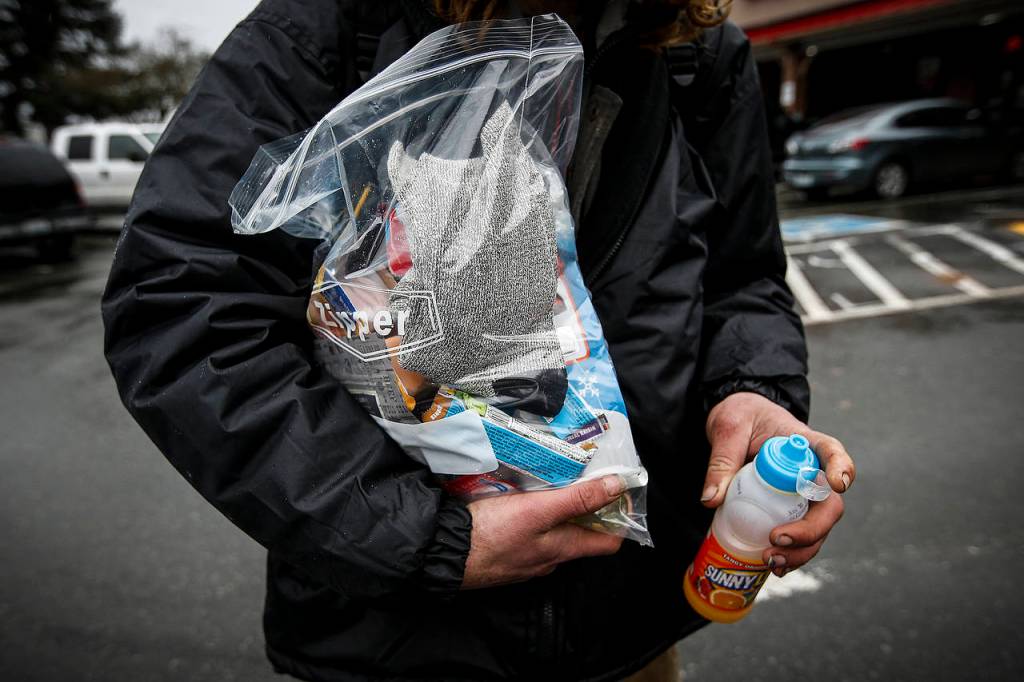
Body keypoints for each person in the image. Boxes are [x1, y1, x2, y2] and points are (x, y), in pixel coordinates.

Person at [102, 1, 856, 680]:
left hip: (627, 619)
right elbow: (181, 303)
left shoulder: (693, 50)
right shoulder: (324, 27)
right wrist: (419, 537)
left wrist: (752, 387)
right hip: (398, 634)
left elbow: (742, 274)